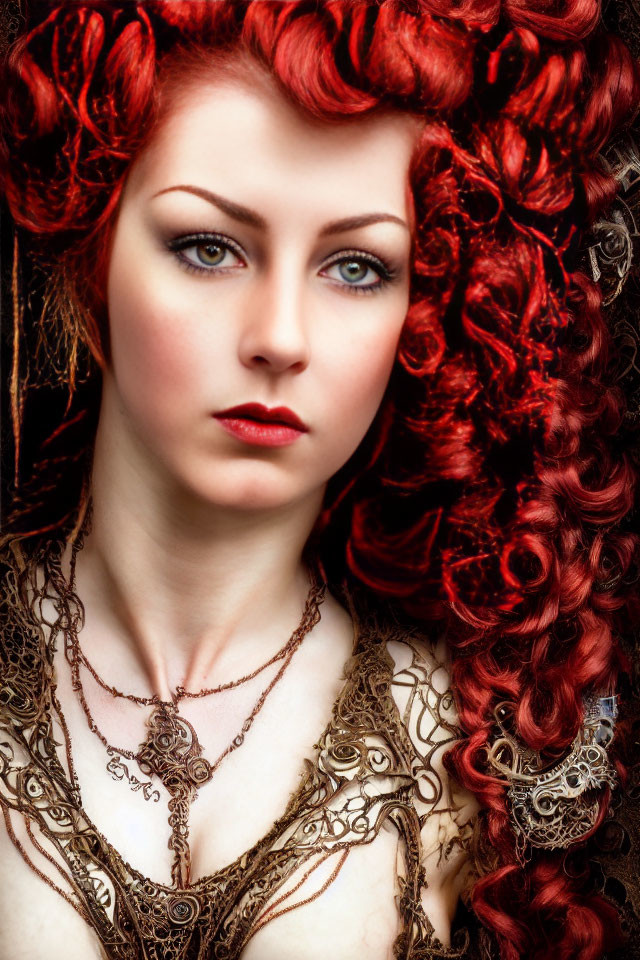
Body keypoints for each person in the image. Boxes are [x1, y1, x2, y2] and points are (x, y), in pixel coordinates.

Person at [0, 2, 638, 958]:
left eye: (356, 267)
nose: (280, 338)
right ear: (94, 251)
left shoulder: (475, 754)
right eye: (208, 247)